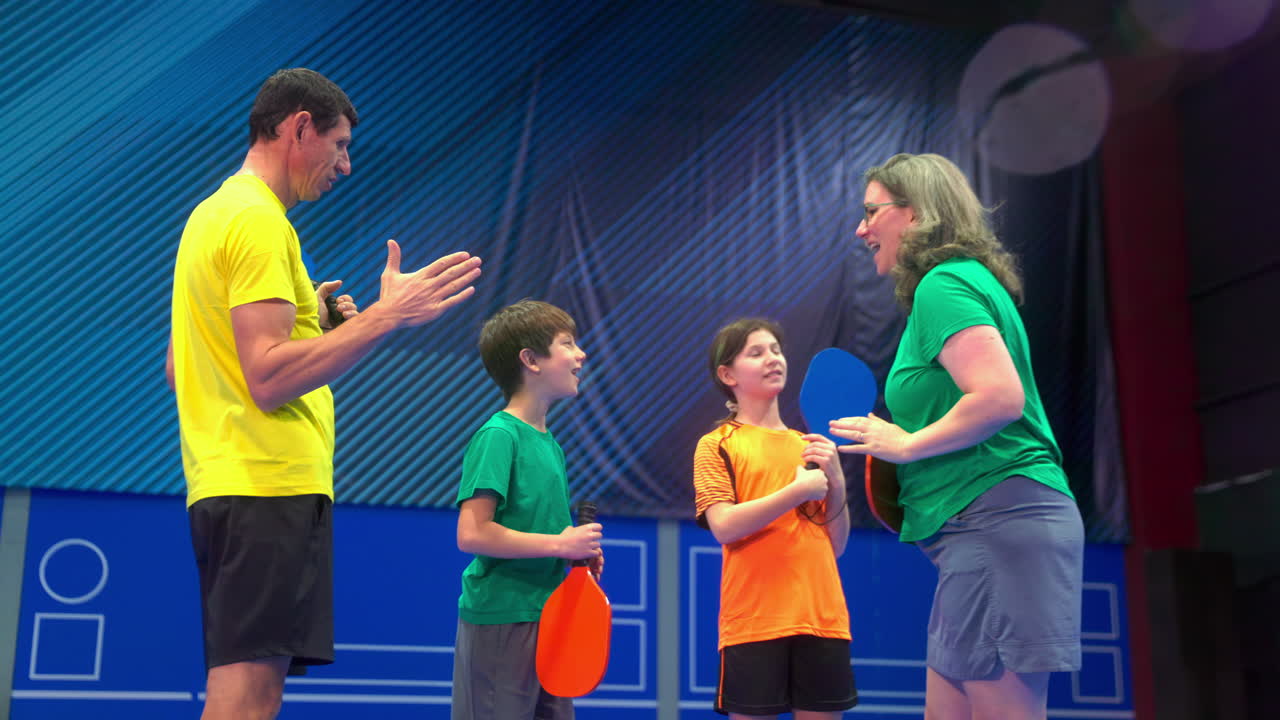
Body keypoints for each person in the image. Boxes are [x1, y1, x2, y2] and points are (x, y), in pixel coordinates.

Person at [167, 67, 483, 720]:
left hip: (234, 484)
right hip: (265, 484)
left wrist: (309, 319)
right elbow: (270, 376)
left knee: (252, 691)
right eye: (339, 146)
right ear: (299, 127)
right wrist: (385, 316)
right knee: (246, 699)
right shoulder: (258, 222)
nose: (345, 166)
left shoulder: (213, 215)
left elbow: (185, 363)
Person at [829, 153, 1083, 720]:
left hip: (999, 521)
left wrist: (904, 444)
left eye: (872, 212)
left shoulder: (943, 284)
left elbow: (999, 397)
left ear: (915, 215)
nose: (861, 227)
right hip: (975, 534)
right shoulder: (960, 283)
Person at [692, 318, 858, 719]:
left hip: (822, 619)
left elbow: (834, 544)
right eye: (756, 352)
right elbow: (725, 526)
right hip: (755, 622)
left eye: (776, 350)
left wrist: (836, 480)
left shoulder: (810, 447)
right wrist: (796, 491)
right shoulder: (716, 445)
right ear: (727, 374)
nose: (773, 359)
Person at [451, 299, 603, 720]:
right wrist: (560, 543)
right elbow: (473, 533)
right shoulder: (499, 436)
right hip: (504, 616)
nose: (581, 354)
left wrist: (574, 556)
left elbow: (539, 533)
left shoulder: (548, 442)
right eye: (568, 343)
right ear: (530, 360)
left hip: (552, 615)